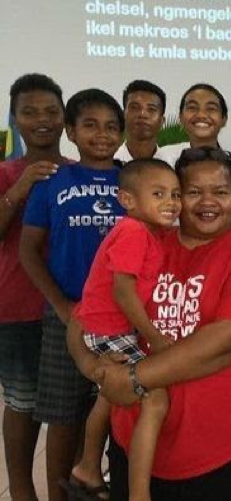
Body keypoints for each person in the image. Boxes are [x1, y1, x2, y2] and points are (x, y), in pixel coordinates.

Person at [68, 146, 231, 499]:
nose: (208, 202)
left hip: (230, 449)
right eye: (193, 192)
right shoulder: (144, 240)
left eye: (221, 191)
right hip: (137, 447)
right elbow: (83, 319)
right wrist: (98, 371)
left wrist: (135, 379)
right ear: (175, 198)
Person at [19, 88, 126, 501]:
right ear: (71, 131)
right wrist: (62, 306)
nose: (102, 134)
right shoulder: (52, 182)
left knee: (117, 408)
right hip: (67, 315)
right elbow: (29, 250)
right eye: (91, 125)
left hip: (123, 319)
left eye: (111, 126)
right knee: (62, 417)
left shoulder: (130, 180)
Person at [69, 159, 181, 500]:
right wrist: (154, 336)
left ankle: (87, 467)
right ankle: (138, 493)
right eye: (158, 193)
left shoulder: (146, 232)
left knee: (108, 396)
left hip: (106, 327)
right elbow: (122, 290)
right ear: (128, 200)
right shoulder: (133, 232)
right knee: (156, 398)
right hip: (110, 329)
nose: (171, 202)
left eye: (175, 194)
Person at [0, 73, 65, 501]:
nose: (41, 120)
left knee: (66, 410)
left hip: (69, 312)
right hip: (17, 308)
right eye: (30, 112)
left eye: (50, 112)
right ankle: (22, 491)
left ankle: (63, 491)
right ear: (16, 119)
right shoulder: (5, 172)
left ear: (64, 118)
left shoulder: (79, 171)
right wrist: (20, 190)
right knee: (22, 405)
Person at [159, 83, 230, 167]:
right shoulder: (165, 159)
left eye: (211, 108)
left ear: (224, 119)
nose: (201, 115)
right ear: (180, 117)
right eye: (192, 107)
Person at [115, 80, 170, 163]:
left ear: (162, 121)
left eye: (151, 109)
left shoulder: (172, 166)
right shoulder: (109, 163)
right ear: (123, 115)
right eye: (134, 107)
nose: (142, 114)